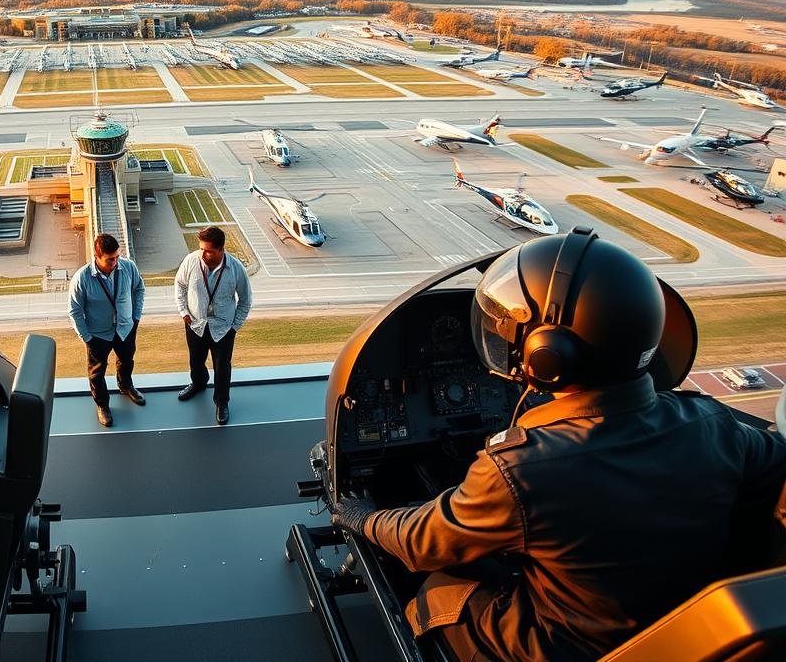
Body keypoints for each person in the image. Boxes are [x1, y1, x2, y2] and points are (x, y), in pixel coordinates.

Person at [332, 228, 786, 662]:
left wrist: (364, 517)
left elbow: (421, 543)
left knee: (437, 591)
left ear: (547, 356)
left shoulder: (521, 469)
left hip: (564, 647)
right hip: (678, 623)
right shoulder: (712, 422)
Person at [174, 226, 253, 426]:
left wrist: (235, 326)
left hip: (224, 328)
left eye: (208, 250)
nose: (203, 254)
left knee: (222, 368)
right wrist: (184, 312)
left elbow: (245, 299)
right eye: (201, 248)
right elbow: (179, 285)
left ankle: (221, 402)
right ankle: (198, 384)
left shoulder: (235, 268)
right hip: (195, 324)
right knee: (196, 361)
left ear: (221, 249)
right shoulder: (191, 261)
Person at [68, 232, 145, 428]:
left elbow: (139, 290)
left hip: (125, 330)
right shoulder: (82, 278)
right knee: (96, 373)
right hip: (98, 335)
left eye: (117, 257)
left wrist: (135, 318)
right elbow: (74, 311)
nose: (116, 261)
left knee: (127, 361)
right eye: (110, 259)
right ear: (97, 256)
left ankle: (126, 386)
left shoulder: (128, 267)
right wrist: (86, 337)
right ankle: (102, 405)